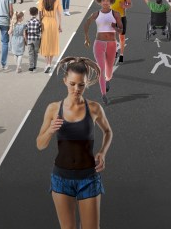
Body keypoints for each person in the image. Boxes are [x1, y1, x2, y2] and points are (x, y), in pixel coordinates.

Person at [36, 57, 112, 229]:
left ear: (86, 84)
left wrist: (102, 152)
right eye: (72, 84)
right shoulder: (53, 109)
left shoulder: (94, 108)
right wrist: (50, 130)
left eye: (81, 85)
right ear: (65, 81)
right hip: (61, 178)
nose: (76, 89)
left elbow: (108, 131)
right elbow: (40, 144)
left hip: (89, 178)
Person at [84, 0, 122, 105]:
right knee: (100, 69)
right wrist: (86, 38)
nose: (105, 2)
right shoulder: (96, 14)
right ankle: (104, 94)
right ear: (100, 1)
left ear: (111, 1)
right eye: (103, 0)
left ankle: (108, 79)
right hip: (99, 43)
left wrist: (115, 28)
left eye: (107, 0)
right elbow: (87, 23)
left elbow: (121, 30)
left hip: (111, 43)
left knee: (109, 69)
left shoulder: (115, 14)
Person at [38, 0, 63, 73]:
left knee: (45, 43)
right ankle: (50, 63)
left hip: (45, 22)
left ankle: (46, 64)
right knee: (52, 43)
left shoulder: (42, 0)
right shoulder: (57, 0)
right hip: (53, 22)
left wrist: (40, 22)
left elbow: (40, 13)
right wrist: (60, 25)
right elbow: (59, 14)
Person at [111, 0, 132, 64]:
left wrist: (125, 6)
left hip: (121, 17)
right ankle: (115, 50)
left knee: (122, 37)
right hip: (111, 17)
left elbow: (130, 4)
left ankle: (121, 55)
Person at [24, 6, 42, 72]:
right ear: (37, 13)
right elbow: (40, 31)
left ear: (30, 13)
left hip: (29, 39)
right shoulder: (38, 22)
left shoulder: (27, 22)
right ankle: (35, 65)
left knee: (30, 53)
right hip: (36, 39)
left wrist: (25, 39)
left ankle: (31, 66)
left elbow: (25, 31)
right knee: (36, 53)